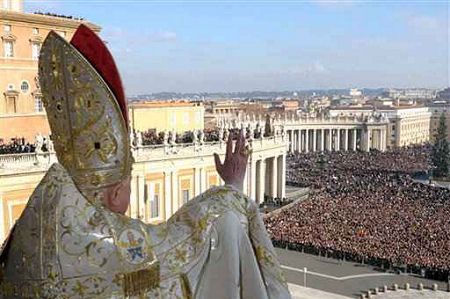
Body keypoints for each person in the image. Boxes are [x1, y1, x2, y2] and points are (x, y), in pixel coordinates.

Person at [0, 25, 290, 299]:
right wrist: (233, 186)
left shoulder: (33, 230)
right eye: (128, 182)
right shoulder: (109, 245)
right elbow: (190, 237)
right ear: (115, 194)